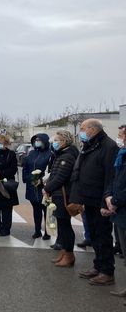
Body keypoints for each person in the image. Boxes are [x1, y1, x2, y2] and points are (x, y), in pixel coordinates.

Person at [71, 119, 119, 285]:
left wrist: (106, 202)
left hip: (100, 200)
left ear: (92, 129)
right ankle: (98, 266)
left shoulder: (108, 146)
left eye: (83, 128)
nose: (81, 132)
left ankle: (107, 271)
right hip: (89, 199)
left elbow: (110, 176)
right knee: (94, 236)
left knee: (103, 236)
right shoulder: (90, 144)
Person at [42, 130, 79, 267]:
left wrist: (47, 188)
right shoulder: (61, 154)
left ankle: (69, 255)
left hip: (63, 195)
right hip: (57, 194)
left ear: (64, 142)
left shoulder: (67, 156)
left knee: (65, 226)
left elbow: (60, 177)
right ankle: (64, 252)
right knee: (62, 226)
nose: (54, 142)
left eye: (57, 140)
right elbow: (54, 174)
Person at [106, 125, 126, 297]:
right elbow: (116, 179)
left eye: (121, 135)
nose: (119, 138)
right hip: (119, 208)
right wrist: (110, 198)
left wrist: (116, 201)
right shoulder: (122, 155)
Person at [23, 133, 53, 239]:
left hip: (44, 187)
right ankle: (37, 230)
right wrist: (29, 179)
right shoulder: (31, 153)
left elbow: (51, 171)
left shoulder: (50, 154)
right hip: (32, 186)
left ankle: (48, 232)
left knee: (46, 210)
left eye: (39, 140)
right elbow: (25, 167)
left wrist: (41, 181)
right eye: (36, 140)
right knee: (36, 210)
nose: (37, 142)